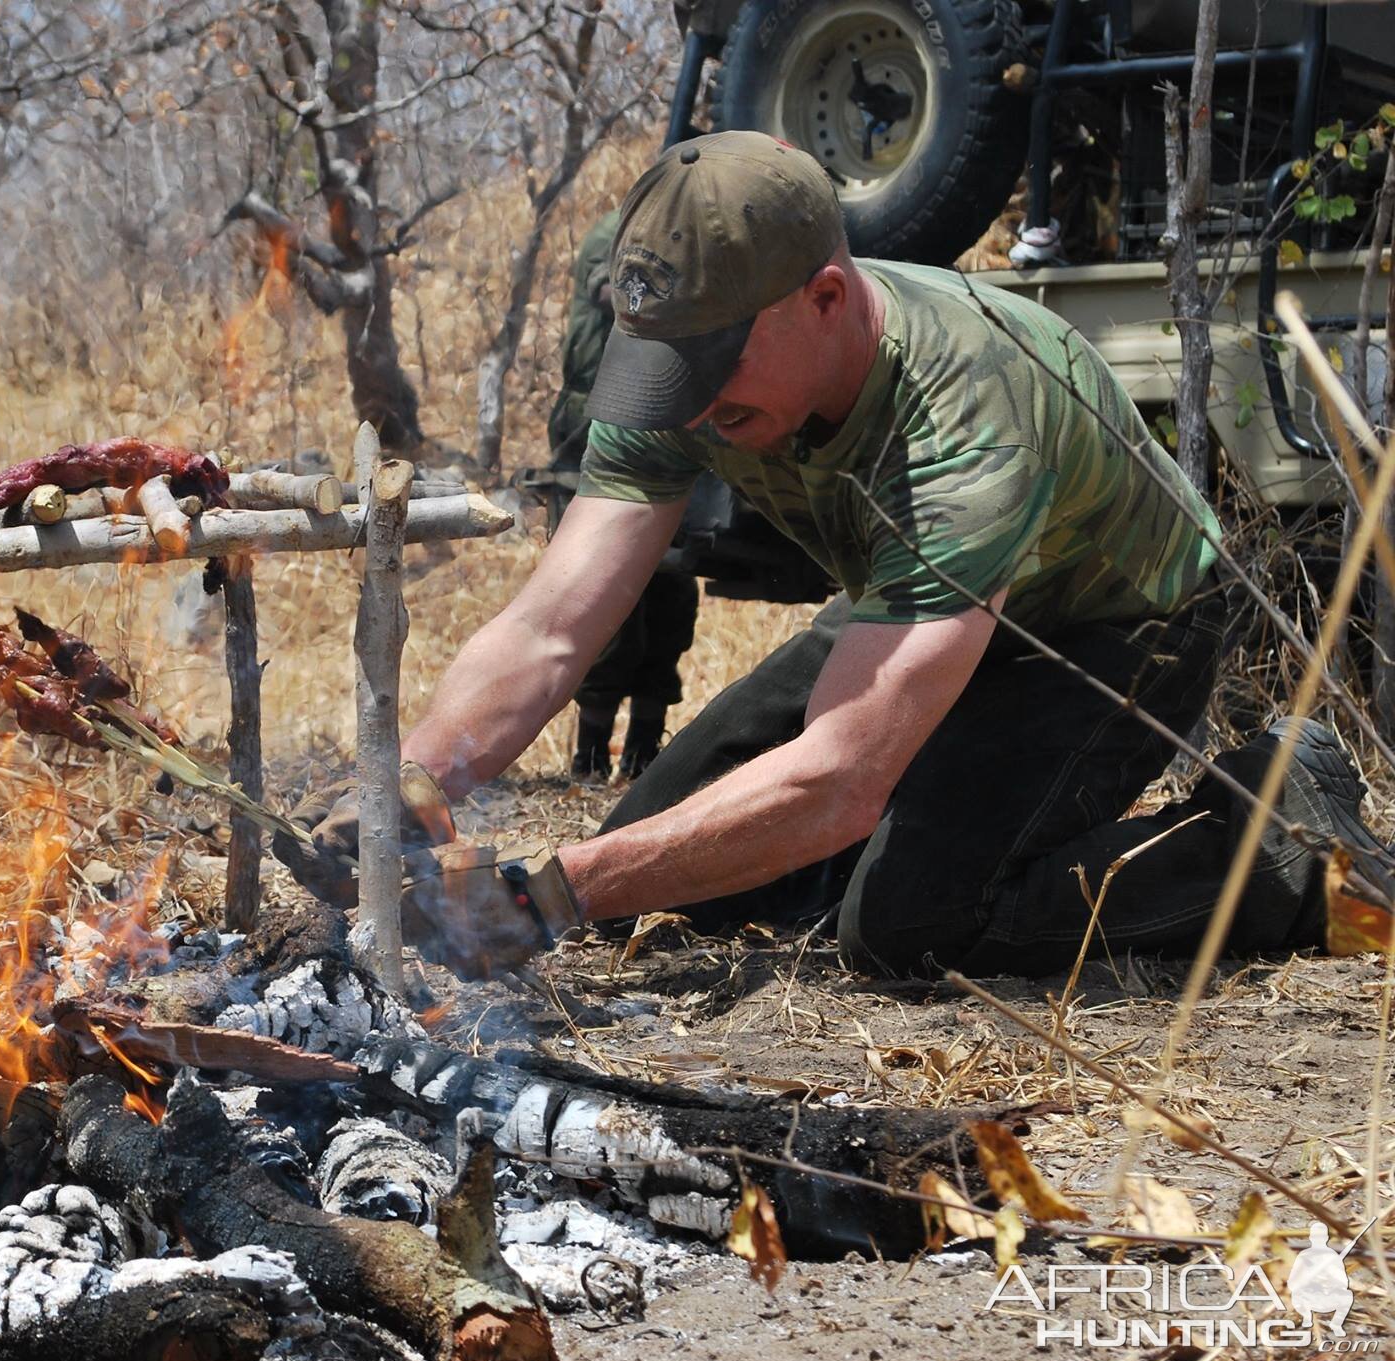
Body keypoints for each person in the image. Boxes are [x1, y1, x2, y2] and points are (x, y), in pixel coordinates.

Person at [279, 130, 1391, 982]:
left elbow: (837, 779)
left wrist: (548, 897)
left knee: (911, 920)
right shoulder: (682, 351)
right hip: (913, 604)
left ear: (824, 295)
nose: (693, 407)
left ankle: (1278, 842)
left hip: (1108, 624)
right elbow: (553, 621)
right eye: (671, 371)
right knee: (665, 867)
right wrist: (410, 778)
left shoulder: (967, 404)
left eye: (715, 368)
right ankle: (910, 841)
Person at [545, 207, 699, 781]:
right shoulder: (620, 233)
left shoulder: (690, 239)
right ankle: (588, 758)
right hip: (597, 421)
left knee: (671, 595)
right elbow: (618, 292)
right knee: (606, 599)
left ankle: (643, 755)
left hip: (669, 418)